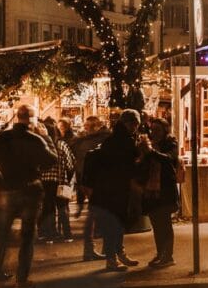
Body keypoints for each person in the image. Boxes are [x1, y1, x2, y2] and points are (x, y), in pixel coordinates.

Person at [0, 105, 57, 288]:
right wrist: (46, 138)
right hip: (30, 189)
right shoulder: (35, 139)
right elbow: (52, 160)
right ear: (32, 119)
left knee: (1, 235)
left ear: (17, 117)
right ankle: (21, 279)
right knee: (27, 235)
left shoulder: (2, 138)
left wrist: (0, 181)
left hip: (7, 190)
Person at [83, 109, 144, 272]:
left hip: (113, 188)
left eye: (136, 124)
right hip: (112, 189)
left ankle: (118, 253)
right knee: (113, 224)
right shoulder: (120, 140)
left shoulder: (119, 138)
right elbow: (126, 163)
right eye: (133, 123)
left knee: (117, 223)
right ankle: (112, 258)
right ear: (126, 123)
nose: (135, 127)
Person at [140, 118, 179, 267]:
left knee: (165, 223)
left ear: (164, 131)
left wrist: (151, 152)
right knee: (156, 223)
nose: (154, 133)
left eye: (157, 130)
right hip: (151, 190)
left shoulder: (171, 143)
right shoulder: (150, 144)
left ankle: (168, 256)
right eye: (153, 130)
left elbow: (168, 159)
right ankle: (160, 253)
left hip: (164, 189)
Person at [71, 116, 109, 260]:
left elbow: (78, 162)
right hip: (96, 181)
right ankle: (99, 248)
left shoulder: (82, 141)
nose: (85, 129)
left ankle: (90, 248)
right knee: (100, 213)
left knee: (94, 214)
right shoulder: (100, 139)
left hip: (86, 180)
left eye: (87, 127)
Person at [39, 122, 75, 243]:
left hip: (46, 181)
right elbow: (70, 164)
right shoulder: (62, 145)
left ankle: (50, 235)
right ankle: (67, 234)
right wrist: (69, 180)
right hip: (61, 181)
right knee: (63, 208)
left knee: (48, 208)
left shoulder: (42, 145)